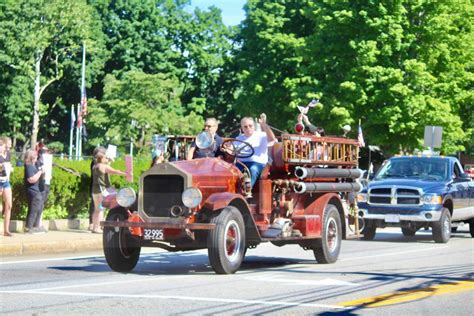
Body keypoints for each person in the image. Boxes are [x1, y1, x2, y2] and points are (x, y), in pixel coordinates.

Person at [236, 114, 277, 188]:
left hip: (258, 163)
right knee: (231, 170)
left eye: (250, 125)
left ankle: (247, 189)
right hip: (241, 163)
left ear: (254, 126)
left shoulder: (262, 136)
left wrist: (264, 125)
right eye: (245, 126)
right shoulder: (238, 138)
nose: (248, 128)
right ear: (242, 128)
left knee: (253, 169)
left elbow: (272, 139)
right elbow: (232, 150)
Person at [91, 151, 128, 234]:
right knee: (101, 210)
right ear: (102, 159)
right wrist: (125, 174)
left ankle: (94, 227)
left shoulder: (95, 166)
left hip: (95, 190)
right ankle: (99, 228)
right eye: (106, 158)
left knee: (96, 210)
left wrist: (109, 162)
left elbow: (107, 169)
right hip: (102, 190)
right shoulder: (104, 166)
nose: (107, 159)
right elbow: (115, 171)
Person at [24, 149, 46, 234]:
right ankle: (29, 228)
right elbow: (31, 179)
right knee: (33, 209)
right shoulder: (29, 166)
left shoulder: (33, 166)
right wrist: (40, 172)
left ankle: (34, 227)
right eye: (35, 155)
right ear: (31, 157)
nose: (37, 156)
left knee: (38, 208)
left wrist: (42, 173)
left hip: (37, 190)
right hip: (33, 191)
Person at [88, 146, 106, 230]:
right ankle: (95, 225)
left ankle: (95, 224)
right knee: (98, 208)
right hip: (98, 188)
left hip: (94, 187)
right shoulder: (97, 164)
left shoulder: (94, 163)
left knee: (96, 208)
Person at [0, 137, 13, 236]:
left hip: (6, 180)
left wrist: (9, 168)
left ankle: (6, 230)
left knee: (8, 205)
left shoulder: (8, 154)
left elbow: (8, 165)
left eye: (2, 146)